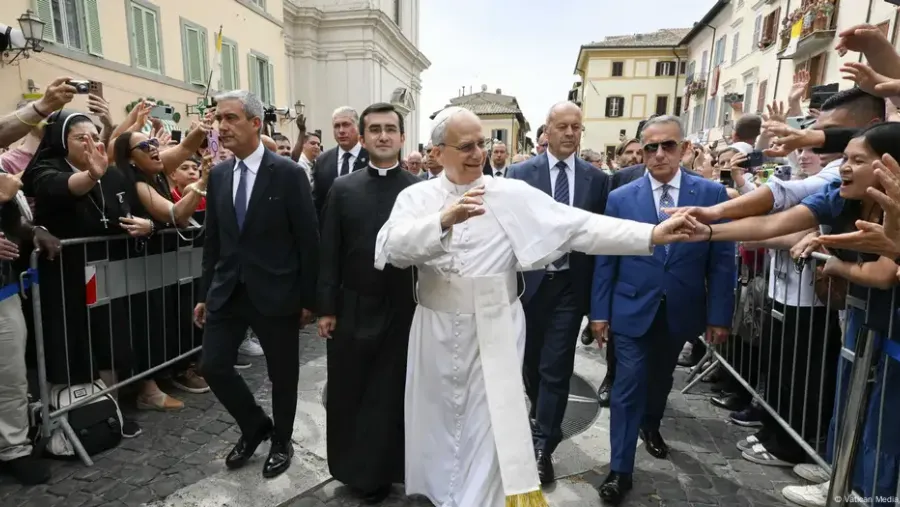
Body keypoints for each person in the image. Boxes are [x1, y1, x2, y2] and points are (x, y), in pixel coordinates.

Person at [373, 107, 695, 507]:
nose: (478, 153)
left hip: (495, 325)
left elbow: (581, 226)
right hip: (435, 329)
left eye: (482, 144)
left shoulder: (509, 194)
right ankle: (436, 497)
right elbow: (390, 249)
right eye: (466, 146)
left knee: (491, 423)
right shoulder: (416, 197)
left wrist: (651, 234)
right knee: (436, 419)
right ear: (438, 153)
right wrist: (442, 220)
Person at [590, 115, 736, 504]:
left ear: (684, 148)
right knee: (626, 387)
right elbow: (607, 256)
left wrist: (719, 316)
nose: (658, 155)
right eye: (650, 147)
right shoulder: (621, 197)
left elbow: (722, 261)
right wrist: (599, 313)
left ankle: (651, 424)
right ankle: (620, 469)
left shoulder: (710, 194)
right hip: (631, 308)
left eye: (667, 145)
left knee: (660, 380)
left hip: (681, 308)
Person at [193, 90, 319, 479]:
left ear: (254, 123)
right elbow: (213, 240)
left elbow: (308, 241)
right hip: (228, 290)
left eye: (230, 118)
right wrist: (204, 294)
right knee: (212, 366)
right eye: (218, 120)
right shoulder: (217, 175)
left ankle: (282, 440)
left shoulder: (289, 174)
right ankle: (254, 425)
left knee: (283, 374)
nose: (222, 126)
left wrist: (309, 299)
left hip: (277, 291)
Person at [22, 110, 153, 438]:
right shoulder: (44, 169)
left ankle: (112, 413)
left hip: (106, 273)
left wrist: (146, 226)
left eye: (95, 137)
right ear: (61, 142)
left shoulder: (109, 174)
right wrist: (91, 175)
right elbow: (66, 187)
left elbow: (127, 212)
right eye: (82, 138)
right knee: (75, 348)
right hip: (64, 278)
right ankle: (81, 421)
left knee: (110, 343)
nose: (91, 143)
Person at [316, 103, 420, 503]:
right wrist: (326, 307)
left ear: (402, 137)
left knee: (391, 394)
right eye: (374, 129)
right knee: (350, 392)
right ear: (362, 138)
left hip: (403, 310)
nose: (382, 136)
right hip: (353, 305)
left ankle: (389, 471)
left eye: (390, 129)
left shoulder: (418, 189)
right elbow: (330, 252)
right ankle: (353, 470)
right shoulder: (343, 189)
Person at [507, 102, 611, 483]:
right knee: (530, 366)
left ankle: (542, 445)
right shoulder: (519, 174)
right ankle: (538, 413)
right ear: (546, 131)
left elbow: (600, 244)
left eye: (576, 127)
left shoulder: (596, 181)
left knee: (556, 368)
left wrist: (599, 307)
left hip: (570, 288)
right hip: (528, 289)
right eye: (562, 126)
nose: (569, 133)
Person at [313, 106, 369, 215]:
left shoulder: (372, 157)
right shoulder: (322, 161)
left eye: (346, 125)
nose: (341, 131)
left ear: (358, 127)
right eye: (337, 126)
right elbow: (317, 201)